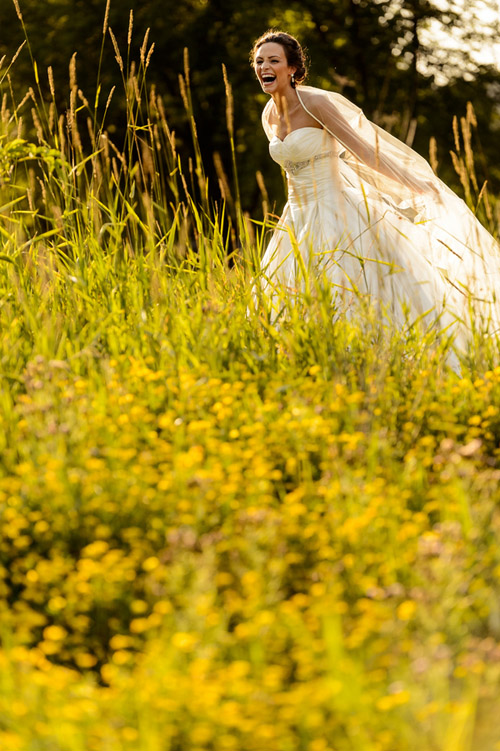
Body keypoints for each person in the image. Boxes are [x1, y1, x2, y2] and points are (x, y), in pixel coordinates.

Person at [251, 30, 500, 352]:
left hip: (336, 210)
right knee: (292, 292)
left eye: (273, 60)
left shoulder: (317, 104)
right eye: (259, 61)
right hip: (296, 218)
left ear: (293, 69)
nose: (264, 67)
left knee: (350, 287)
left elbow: (363, 151)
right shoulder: (268, 114)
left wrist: (415, 184)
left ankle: (375, 354)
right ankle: (311, 355)